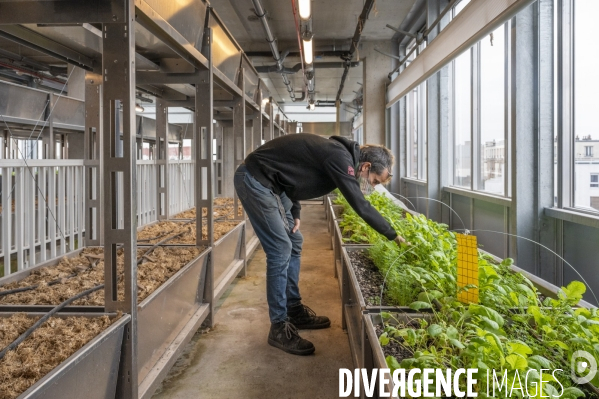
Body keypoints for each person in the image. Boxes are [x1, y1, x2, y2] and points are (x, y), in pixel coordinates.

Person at [234, 133, 406, 356]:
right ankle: (278, 326)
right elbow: (360, 205)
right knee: (280, 248)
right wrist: (393, 235)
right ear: (365, 166)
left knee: (294, 240)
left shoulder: (338, 154)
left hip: (273, 184)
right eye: (374, 181)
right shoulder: (339, 158)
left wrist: (295, 211)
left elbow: (293, 172)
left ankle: (293, 309)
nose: (372, 186)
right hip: (255, 180)